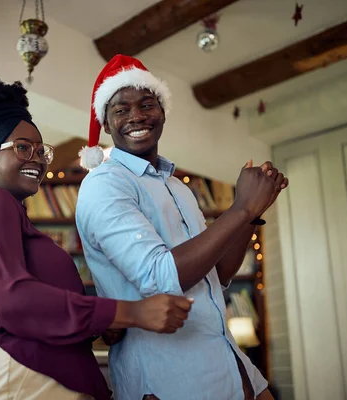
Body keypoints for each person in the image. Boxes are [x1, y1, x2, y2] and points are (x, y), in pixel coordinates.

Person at [0, 76, 195, 400]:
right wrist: (132, 313)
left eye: (41, 150)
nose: (38, 159)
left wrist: (100, 325)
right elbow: (11, 300)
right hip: (18, 378)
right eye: (23, 148)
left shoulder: (15, 219)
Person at [76, 55, 289, 400]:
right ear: (105, 122)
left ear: (162, 111)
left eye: (147, 104)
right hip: (169, 377)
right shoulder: (105, 184)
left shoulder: (178, 187)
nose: (137, 116)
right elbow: (160, 278)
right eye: (121, 109)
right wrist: (241, 207)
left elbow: (217, 274)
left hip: (228, 362)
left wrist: (252, 213)